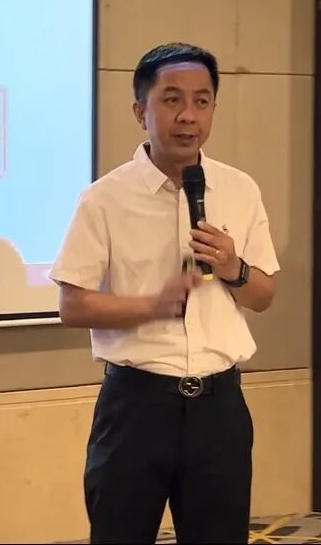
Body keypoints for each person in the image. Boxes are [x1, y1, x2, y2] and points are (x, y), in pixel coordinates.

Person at [49, 42, 280, 544]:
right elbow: (72, 305)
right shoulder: (104, 199)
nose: (188, 116)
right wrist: (152, 306)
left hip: (219, 409)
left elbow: (263, 295)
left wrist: (233, 267)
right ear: (141, 112)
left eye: (202, 101)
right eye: (172, 100)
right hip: (136, 408)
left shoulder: (240, 190)